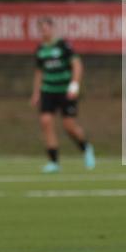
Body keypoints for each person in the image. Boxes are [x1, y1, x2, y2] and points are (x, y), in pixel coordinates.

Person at [30, 16, 95, 173]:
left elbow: (77, 65)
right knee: (46, 121)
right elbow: (39, 72)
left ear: (52, 29)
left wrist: (74, 85)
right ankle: (53, 162)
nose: (44, 32)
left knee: (69, 126)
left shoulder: (64, 45)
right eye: (41, 29)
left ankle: (86, 148)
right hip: (48, 90)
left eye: (46, 28)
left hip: (65, 91)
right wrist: (36, 92)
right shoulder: (40, 49)